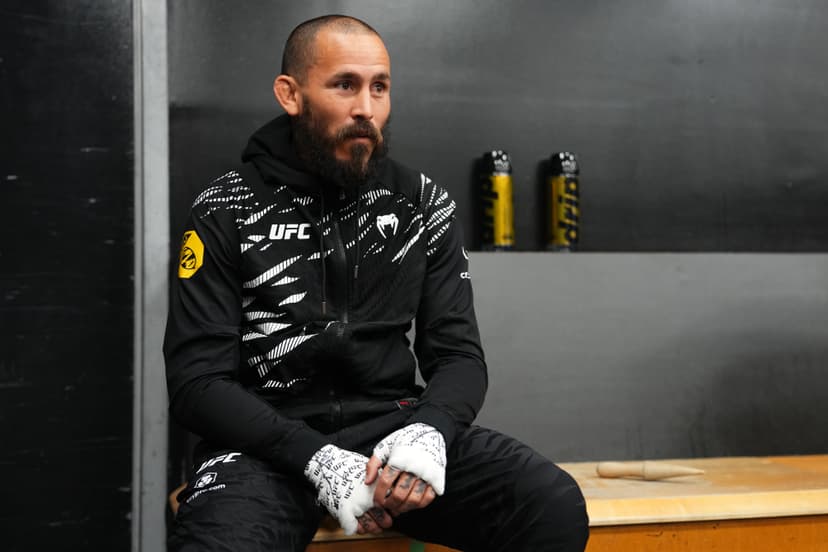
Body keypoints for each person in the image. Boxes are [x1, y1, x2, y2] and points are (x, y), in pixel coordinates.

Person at [164, 14, 588, 552]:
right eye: (345, 85)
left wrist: (429, 432)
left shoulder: (421, 204)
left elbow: (459, 356)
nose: (366, 107)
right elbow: (197, 383)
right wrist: (315, 457)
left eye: (379, 87)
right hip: (261, 448)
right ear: (291, 95)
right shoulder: (226, 208)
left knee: (549, 503)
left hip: (391, 436)